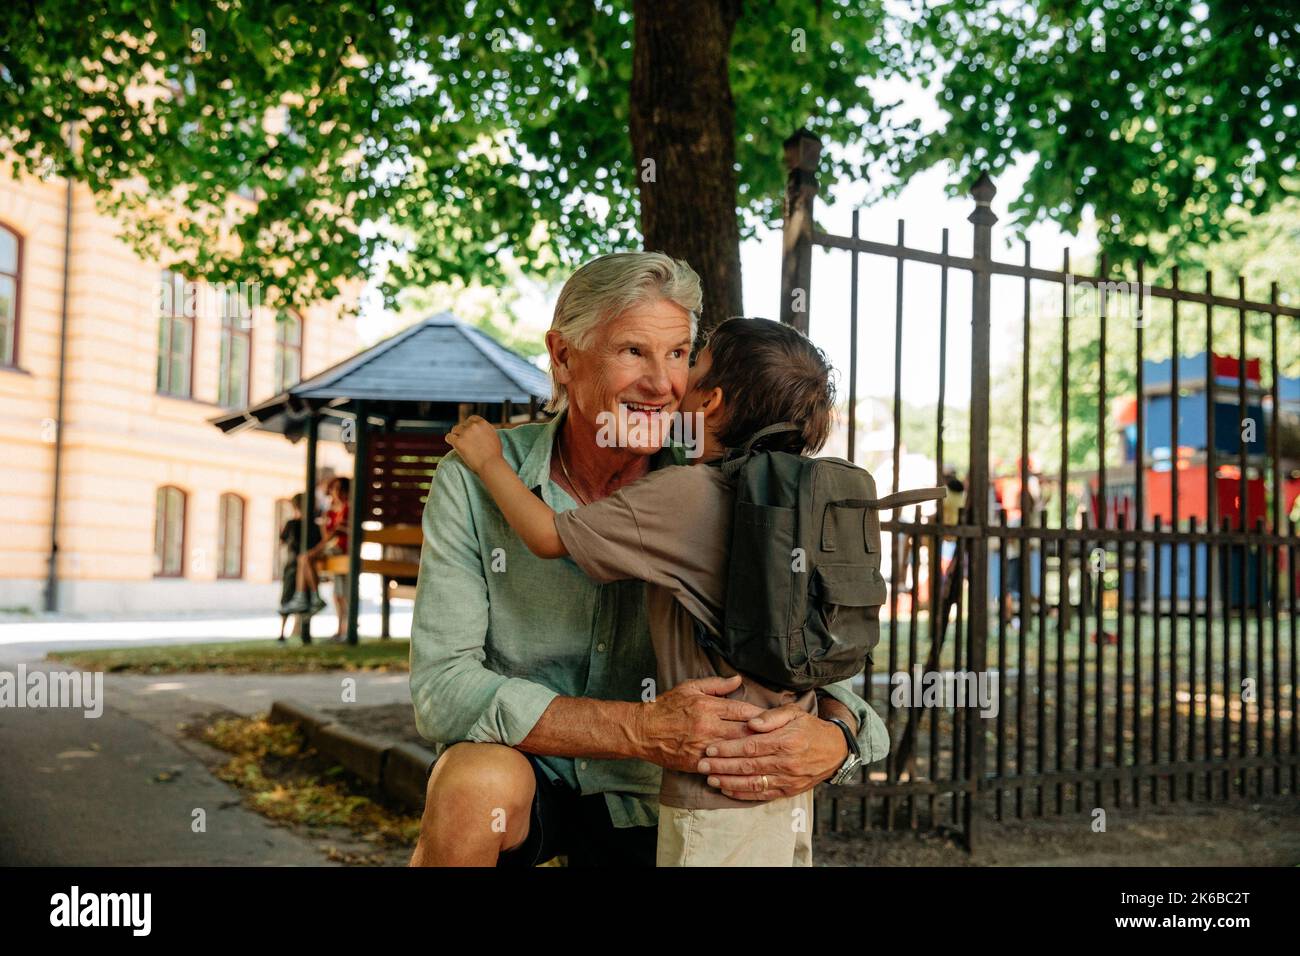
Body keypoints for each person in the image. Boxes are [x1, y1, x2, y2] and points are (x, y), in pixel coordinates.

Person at [407, 252, 888, 868]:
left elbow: (818, 660)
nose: (662, 384)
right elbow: (443, 689)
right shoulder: (474, 477)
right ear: (562, 357)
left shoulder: (732, 489)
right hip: (536, 772)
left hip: (673, 795)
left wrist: (837, 739)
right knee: (471, 787)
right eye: (632, 351)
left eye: (680, 354)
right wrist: (638, 728)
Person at [282, 476, 351, 639]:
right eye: (335, 489)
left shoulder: (347, 509)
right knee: (337, 593)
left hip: (342, 551)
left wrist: (316, 550)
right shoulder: (330, 512)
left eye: (341, 489)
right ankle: (310, 597)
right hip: (332, 549)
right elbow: (327, 535)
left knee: (305, 560)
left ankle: (312, 597)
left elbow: (333, 536)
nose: (337, 493)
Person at [276, 493, 321, 642]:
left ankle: (283, 634)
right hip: (303, 566)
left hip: (293, 565)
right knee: (302, 599)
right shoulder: (314, 526)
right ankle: (304, 633)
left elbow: (282, 541)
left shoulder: (293, 524)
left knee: (289, 598)